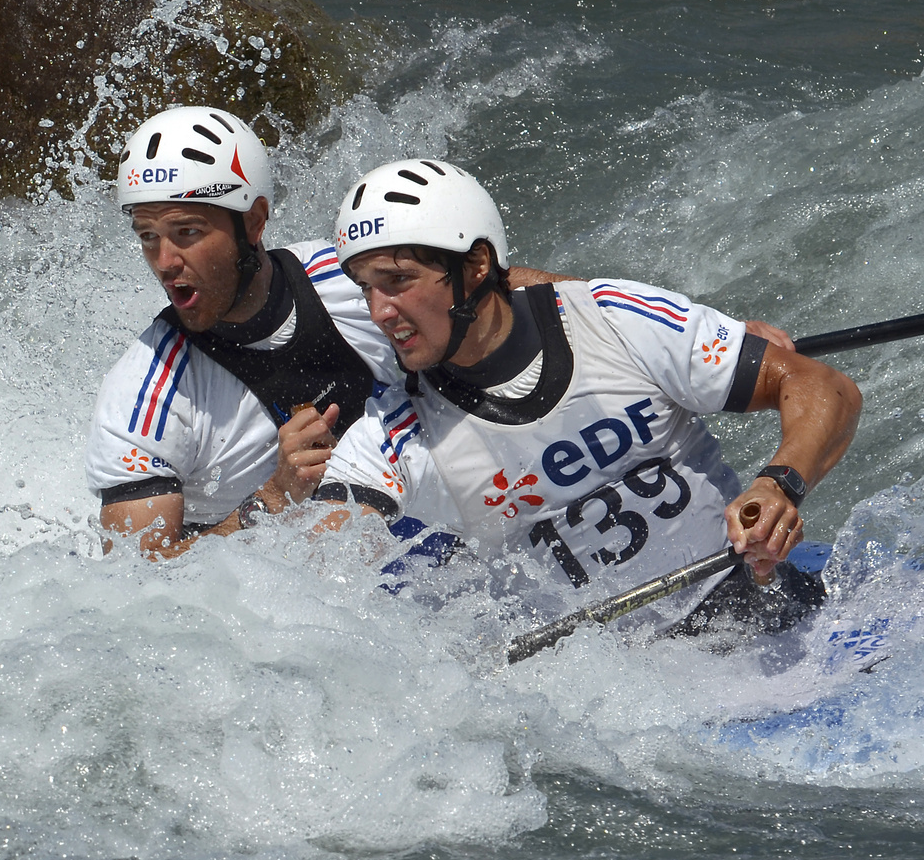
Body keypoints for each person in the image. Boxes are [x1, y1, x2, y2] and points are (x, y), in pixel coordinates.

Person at [302, 158, 862, 632]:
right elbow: (313, 580)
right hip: (630, 692)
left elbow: (821, 385)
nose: (379, 312)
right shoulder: (391, 437)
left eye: (397, 281)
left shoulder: (612, 317)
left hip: (763, 599)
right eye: (366, 288)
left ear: (474, 266)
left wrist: (780, 483)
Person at [84, 108, 568, 557]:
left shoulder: (347, 278)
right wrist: (273, 498)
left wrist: (611, 312)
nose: (165, 262)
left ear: (253, 222)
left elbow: (488, 288)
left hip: (420, 525)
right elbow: (138, 581)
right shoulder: (144, 396)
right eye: (148, 236)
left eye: (186, 232)